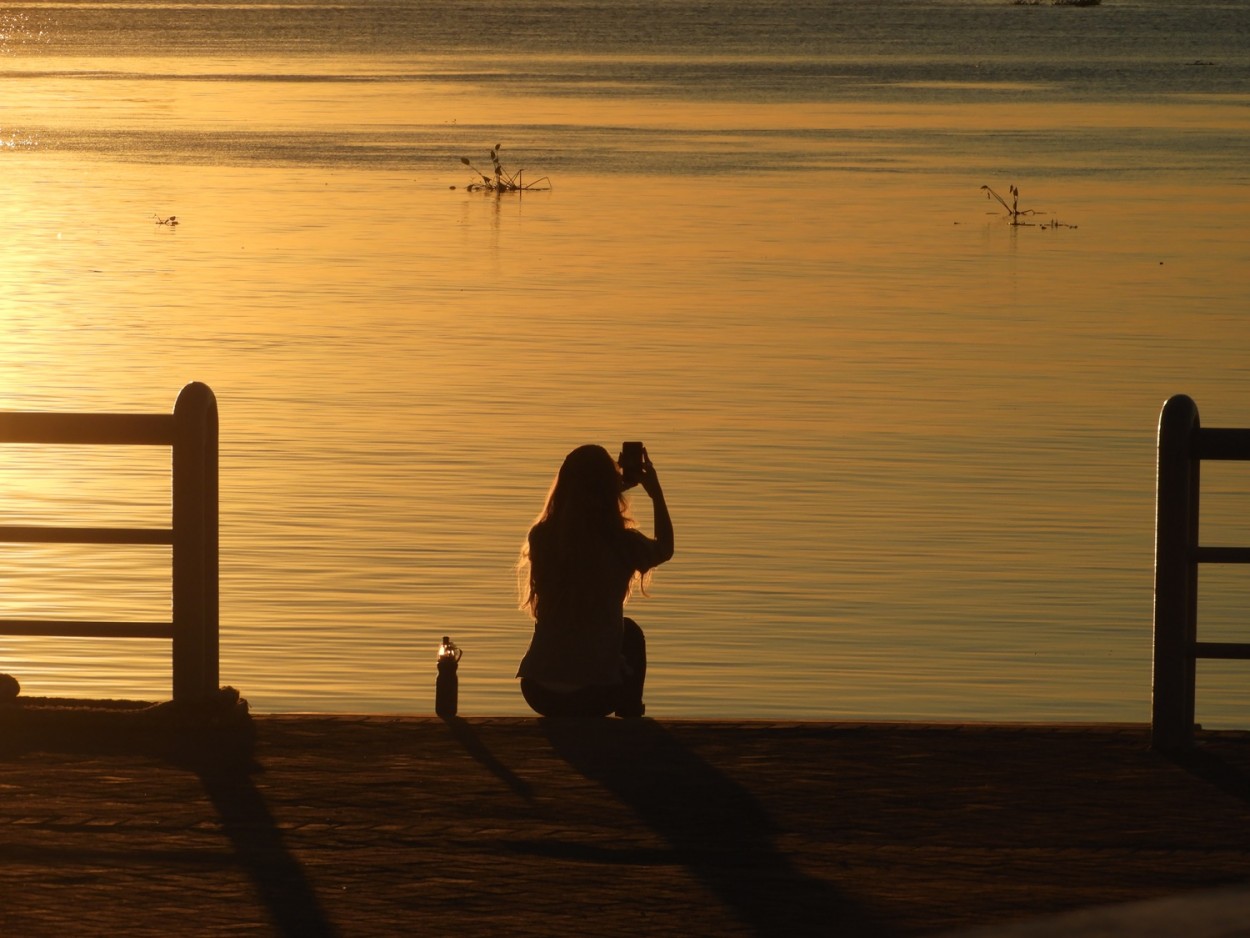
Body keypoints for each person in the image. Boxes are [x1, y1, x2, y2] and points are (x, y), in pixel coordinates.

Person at [516, 444, 674, 718]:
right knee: (631, 634)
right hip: (592, 696)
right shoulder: (622, 543)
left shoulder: (542, 537)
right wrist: (655, 492)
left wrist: (606, 488)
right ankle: (630, 716)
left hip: (539, 692)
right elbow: (665, 547)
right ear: (607, 491)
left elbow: (578, 509)